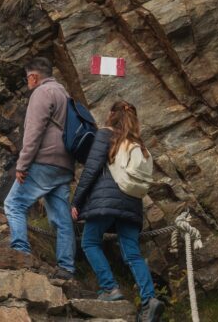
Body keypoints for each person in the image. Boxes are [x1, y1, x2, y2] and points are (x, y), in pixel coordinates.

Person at [71, 101, 164, 321]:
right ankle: (149, 299)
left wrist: (76, 201)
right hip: (131, 203)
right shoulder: (137, 143)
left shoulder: (105, 134)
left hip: (105, 200)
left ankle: (110, 288)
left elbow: (92, 169)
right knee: (131, 252)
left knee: (90, 242)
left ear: (112, 114)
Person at [3, 57, 76, 280]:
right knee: (62, 218)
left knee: (14, 204)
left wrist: (22, 164)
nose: (27, 83)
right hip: (65, 165)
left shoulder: (42, 93)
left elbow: (33, 133)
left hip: (44, 162)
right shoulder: (64, 93)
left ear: (34, 76)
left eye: (27, 78)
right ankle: (66, 268)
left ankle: (21, 254)